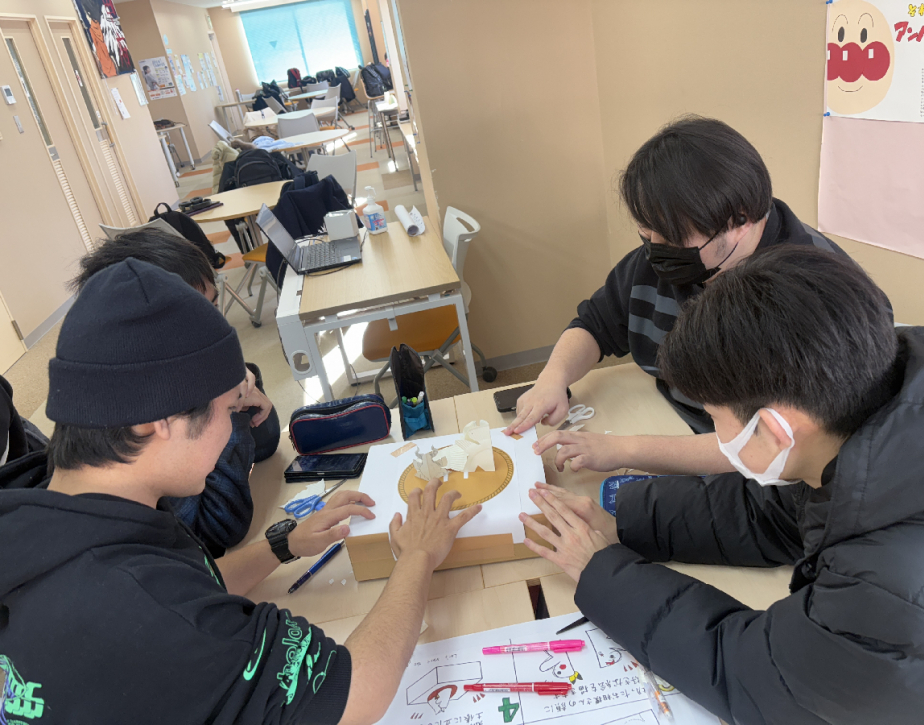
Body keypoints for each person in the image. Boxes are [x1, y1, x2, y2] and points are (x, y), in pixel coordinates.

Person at [0, 259, 481, 723]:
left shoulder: (45, 514)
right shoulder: (144, 607)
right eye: (231, 409)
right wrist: (418, 554)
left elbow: (195, 588)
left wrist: (283, 544)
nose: (235, 430)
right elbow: (356, 692)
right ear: (156, 420)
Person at [519, 246, 924, 723]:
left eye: (713, 417)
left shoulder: (887, 597)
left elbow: (752, 676)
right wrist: (626, 520)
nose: (714, 432)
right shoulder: (902, 394)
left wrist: (601, 572)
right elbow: (789, 509)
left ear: (775, 430)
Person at [505, 116, 852, 477]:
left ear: (740, 219)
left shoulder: (813, 296)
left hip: (760, 472)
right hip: (674, 421)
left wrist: (625, 450)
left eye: (670, 236)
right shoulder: (671, 258)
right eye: (646, 232)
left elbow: (773, 447)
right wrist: (552, 379)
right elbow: (596, 323)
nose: (655, 250)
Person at [68, 228, 280, 557]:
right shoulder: (145, 426)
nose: (216, 328)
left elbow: (266, 442)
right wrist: (230, 408)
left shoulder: (191, 375)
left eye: (213, 307)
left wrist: (233, 395)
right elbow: (221, 527)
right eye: (194, 317)